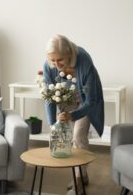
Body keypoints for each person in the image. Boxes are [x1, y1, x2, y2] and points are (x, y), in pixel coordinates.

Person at [43, 34, 104, 194]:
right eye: (52, 60)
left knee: (78, 137)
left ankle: (78, 185)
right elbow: (49, 97)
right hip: (66, 101)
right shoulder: (49, 64)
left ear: (69, 53)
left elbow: (92, 100)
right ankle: (81, 175)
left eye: (60, 60)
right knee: (69, 138)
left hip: (85, 102)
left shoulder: (84, 60)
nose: (56, 65)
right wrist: (52, 124)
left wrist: (72, 115)